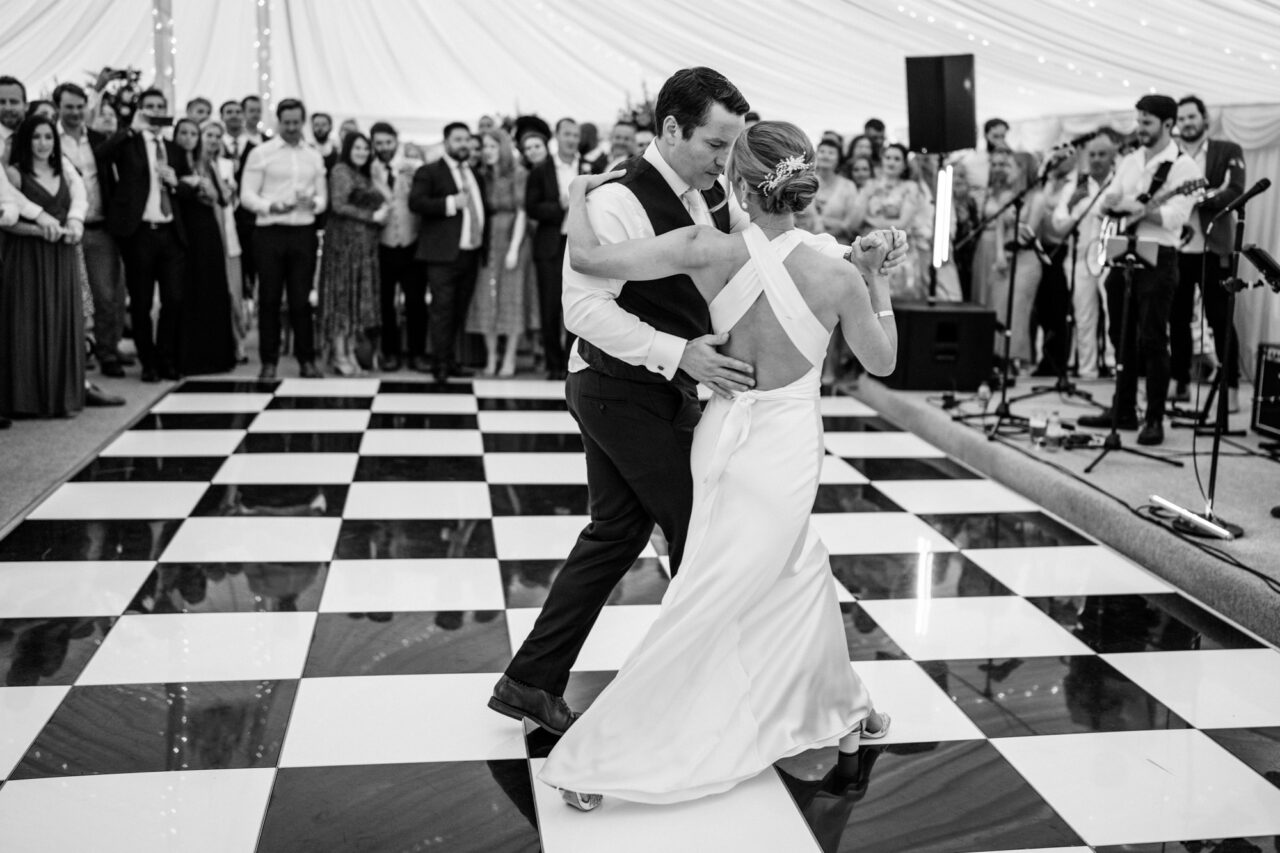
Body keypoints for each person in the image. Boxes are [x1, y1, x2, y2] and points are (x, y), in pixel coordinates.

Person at [489, 67, 905, 754]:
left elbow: (773, 253)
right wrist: (680, 353)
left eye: (734, 151)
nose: (723, 161)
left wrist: (847, 256)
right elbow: (583, 306)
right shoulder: (615, 198)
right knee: (709, 549)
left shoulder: (717, 200)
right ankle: (702, 706)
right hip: (617, 388)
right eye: (716, 144)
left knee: (618, 533)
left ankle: (532, 678)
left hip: (679, 397)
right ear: (673, 129)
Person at [1078, 95, 1203, 446]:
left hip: (1159, 257)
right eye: (1139, 120)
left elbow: (1175, 217)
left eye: (1147, 122)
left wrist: (1136, 207)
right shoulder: (1131, 160)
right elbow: (1110, 199)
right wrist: (1110, 204)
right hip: (1122, 252)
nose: (1140, 128)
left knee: (1152, 338)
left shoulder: (1184, 168)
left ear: (1167, 124)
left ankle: (1154, 417)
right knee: (1120, 337)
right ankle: (1124, 408)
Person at [1, 115, 88, 417]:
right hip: (26, 256)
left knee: (62, 319)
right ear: (26, 140)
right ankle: (28, 400)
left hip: (61, 257)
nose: (42, 143)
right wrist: (41, 231)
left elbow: (79, 201)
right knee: (26, 322)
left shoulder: (64, 171)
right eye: (36, 137)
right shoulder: (13, 175)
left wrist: (74, 226)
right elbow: (6, 224)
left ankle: (60, 397)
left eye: (48, 137)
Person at [100, 87, 187, 382]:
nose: (154, 110)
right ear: (140, 110)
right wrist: (130, 130)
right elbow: (102, 155)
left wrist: (178, 184)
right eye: (148, 106)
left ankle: (167, 357)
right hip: (139, 234)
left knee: (174, 300)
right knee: (141, 302)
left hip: (170, 232)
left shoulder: (174, 148)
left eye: (159, 105)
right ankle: (148, 362)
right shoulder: (129, 143)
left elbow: (187, 186)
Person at [239, 98, 328, 379]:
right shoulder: (261, 153)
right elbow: (246, 196)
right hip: (270, 233)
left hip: (303, 232)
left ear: (303, 121)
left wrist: (313, 203)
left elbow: (323, 198)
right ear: (278, 121)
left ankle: (306, 360)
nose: (291, 128)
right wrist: (270, 206)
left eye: (296, 123)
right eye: (286, 122)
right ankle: (269, 362)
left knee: (302, 301)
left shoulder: (314, 156)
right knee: (269, 299)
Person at [1171, 95, 1247, 413]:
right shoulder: (1170, 154)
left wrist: (1198, 198)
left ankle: (1229, 388)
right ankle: (1180, 383)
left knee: (1220, 318)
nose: (1187, 123)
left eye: (1192, 117)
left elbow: (1235, 190)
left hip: (1214, 247)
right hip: (1176, 247)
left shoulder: (1226, 150)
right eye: (1181, 118)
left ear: (1204, 118)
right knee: (1176, 319)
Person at [55, 82, 126, 378]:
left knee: (105, 294)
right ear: (58, 107)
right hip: (62, 227)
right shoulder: (48, 139)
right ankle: (71, 354)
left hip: (98, 226)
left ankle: (107, 352)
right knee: (67, 294)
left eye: (79, 106)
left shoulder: (98, 139)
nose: (74, 112)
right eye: (68, 106)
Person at [409, 121, 487, 383]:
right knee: (442, 311)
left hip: (470, 253)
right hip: (441, 256)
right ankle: (439, 365)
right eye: (458, 140)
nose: (463, 144)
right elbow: (416, 203)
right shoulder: (429, 171)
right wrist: (451, 203)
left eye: (466, 139)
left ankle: (451, 360)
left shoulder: (474, 173)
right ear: (446, 143)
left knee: (459, 311)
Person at [170, 117, 236, 376]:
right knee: (184, 290)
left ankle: (214, 355)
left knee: (212, 287)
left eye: (193, 133)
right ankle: (184, 356)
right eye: (183, 133)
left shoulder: (206, 163)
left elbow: (222, 199)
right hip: (181, 229)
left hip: (206, 230)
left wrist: (210, 190)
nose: (188, 138)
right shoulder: (171, 162)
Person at [1051, 131, 1119, 379]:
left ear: (1112, 157)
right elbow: (1058, 226)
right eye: (1092, 154)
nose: (1097, 159)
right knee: (1084, 317)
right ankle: (1087, 370)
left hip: (1111, 258)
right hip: (1079, 260)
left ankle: (1113, 367)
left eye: (1102, 154)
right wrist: (1072, 209)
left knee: (1114, 315)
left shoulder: (1120, 183)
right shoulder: (1075, 187)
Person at [526, 117, 589, 379]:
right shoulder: (541, 170)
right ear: (557, 136)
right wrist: (561, 206)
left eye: (575, 135)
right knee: (550, 306)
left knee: (579, 303)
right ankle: (553, 364)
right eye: (567, 134)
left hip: (580, 244)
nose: (572, 139)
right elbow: (532, 207)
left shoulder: (589, 167)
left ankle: (570, 361)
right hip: (551, 245)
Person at [319, 131, 387, 375]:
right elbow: (338, 205)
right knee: (342, 298)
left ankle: (349, 352)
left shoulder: (364, 174)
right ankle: (339, 354)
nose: (362, 152)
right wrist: (371, 217)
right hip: (343, 245)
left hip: (364, 247)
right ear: (348, 149)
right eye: (357, 148)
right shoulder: (341, 171)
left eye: (366, 149)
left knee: (355, 301)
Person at [973, 148, 1044, 371]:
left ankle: (1017, 359)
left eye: (1011, 166)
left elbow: (1029, 232)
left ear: (1022, 170)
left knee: (1018, 309)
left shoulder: (1037, 198)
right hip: (1004, 257)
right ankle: (997, 357)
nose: (1006, 172)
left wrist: (1013, 243)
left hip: (1026, 259)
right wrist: (1000, 255)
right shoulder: (1007, 197)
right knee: (999, 307)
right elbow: (1000, 230)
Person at [467, 128, 530, 377]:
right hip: (486, 239)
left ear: (502, 148)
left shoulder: (518, 174)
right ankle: (491, 357)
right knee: (485, 297)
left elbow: (522, 211)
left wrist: (514, 247)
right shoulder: (481, 176)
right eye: (484, 147)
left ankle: (510, 357)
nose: (487, 152)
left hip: (512, 236)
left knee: (511, 296)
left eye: (492, 147)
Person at [370, 121, 424, 372]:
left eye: (387, 142)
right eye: (378, 143)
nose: (383, 148)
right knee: (386, 304)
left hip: (412, 243)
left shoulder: (412, 166)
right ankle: (390, 352)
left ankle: (416, 353)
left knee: (415, 302)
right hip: (383, 244)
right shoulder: (370, 169)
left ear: (396, 140)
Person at [200, 119, 249, 363]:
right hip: (206, 236)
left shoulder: (228, 166)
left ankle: (238, 341)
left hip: (228, 235)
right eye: (209, 135)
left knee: (234, 293)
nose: (213, 140)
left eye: (218, 136)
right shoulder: (195, 165)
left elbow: (233, 202)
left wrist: (229, 190)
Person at [855, 142, 924, 300]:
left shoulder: (910, 187)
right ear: (882, 160)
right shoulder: (870, 185)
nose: (891, 162)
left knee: (899, 302)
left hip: (898, 251)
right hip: (870, 250)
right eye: (888, 157)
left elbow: (901, 224)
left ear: (904, 164)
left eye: (897, 159)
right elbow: (855, 220)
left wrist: (870, 221)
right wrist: (866, 196)